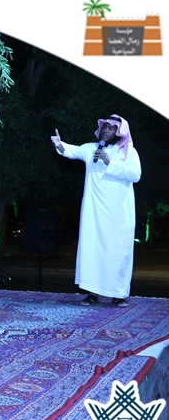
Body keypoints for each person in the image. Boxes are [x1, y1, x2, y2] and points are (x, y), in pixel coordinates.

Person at [50, 115, 141, 307]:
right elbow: (72, 150)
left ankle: (118, 294)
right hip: (94, 212)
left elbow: (135, 174)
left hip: (118, 214)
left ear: (119, 132)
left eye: (111, 128)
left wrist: (110, 162)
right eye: (104, 127)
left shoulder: (128, 151)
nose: (106, 130)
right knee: (93, 251)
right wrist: (59, 145)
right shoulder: (91, 148)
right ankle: (92, 293)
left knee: (118, 253)